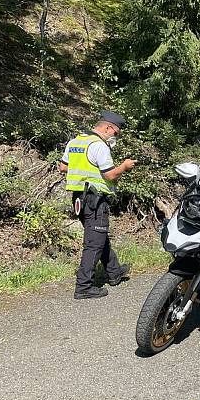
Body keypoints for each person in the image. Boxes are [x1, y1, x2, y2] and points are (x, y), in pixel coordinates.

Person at [59, 112, 137, 300]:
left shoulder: (75, 142)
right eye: (116, 133)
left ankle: (114, 272)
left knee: (99, 236)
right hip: (96, 200)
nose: (115, 137)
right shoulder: (99, 146)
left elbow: (63, 167)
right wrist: (124, 167)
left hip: (79, 198)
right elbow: (110, 175)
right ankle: (83, 286)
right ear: (108, 128)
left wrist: (85, 173)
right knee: (94, 243)